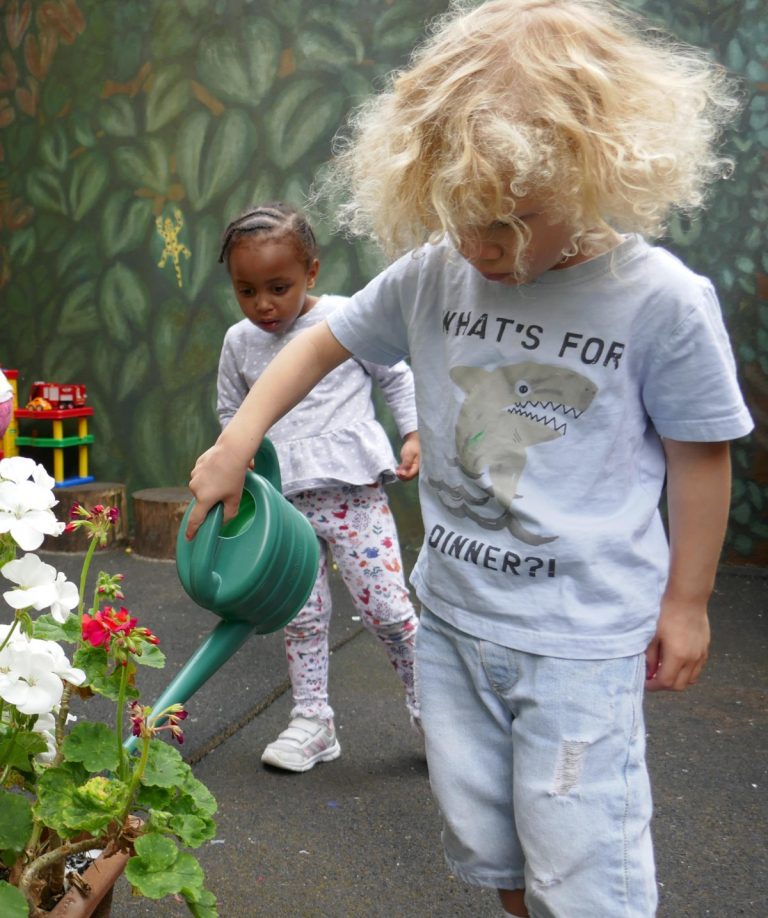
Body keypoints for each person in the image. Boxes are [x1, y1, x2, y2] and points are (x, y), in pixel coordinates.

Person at [187, 2, 754, 914]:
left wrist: (686, 603)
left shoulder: (659, 303)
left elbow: (700, 457)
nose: (487, 245)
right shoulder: (433, 272)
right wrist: (237, 439)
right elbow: (318, 346)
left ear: (597, 165)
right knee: (495, 851)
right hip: (453, 620)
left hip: (579, 641)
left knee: (583, 864)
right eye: (464, 217)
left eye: (516, 218)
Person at [215, 202, 421, 773]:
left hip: (353, 495)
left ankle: (435, 712)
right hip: (284, 507)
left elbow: (394, 374)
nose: (263, 305)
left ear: (311, 271)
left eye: (278, 287)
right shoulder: (239, 342)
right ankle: (312, 720)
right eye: (246, 291)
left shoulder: (346, 317)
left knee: (387, 610)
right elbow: (232, 413)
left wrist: (413, 430)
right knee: (300, 617)